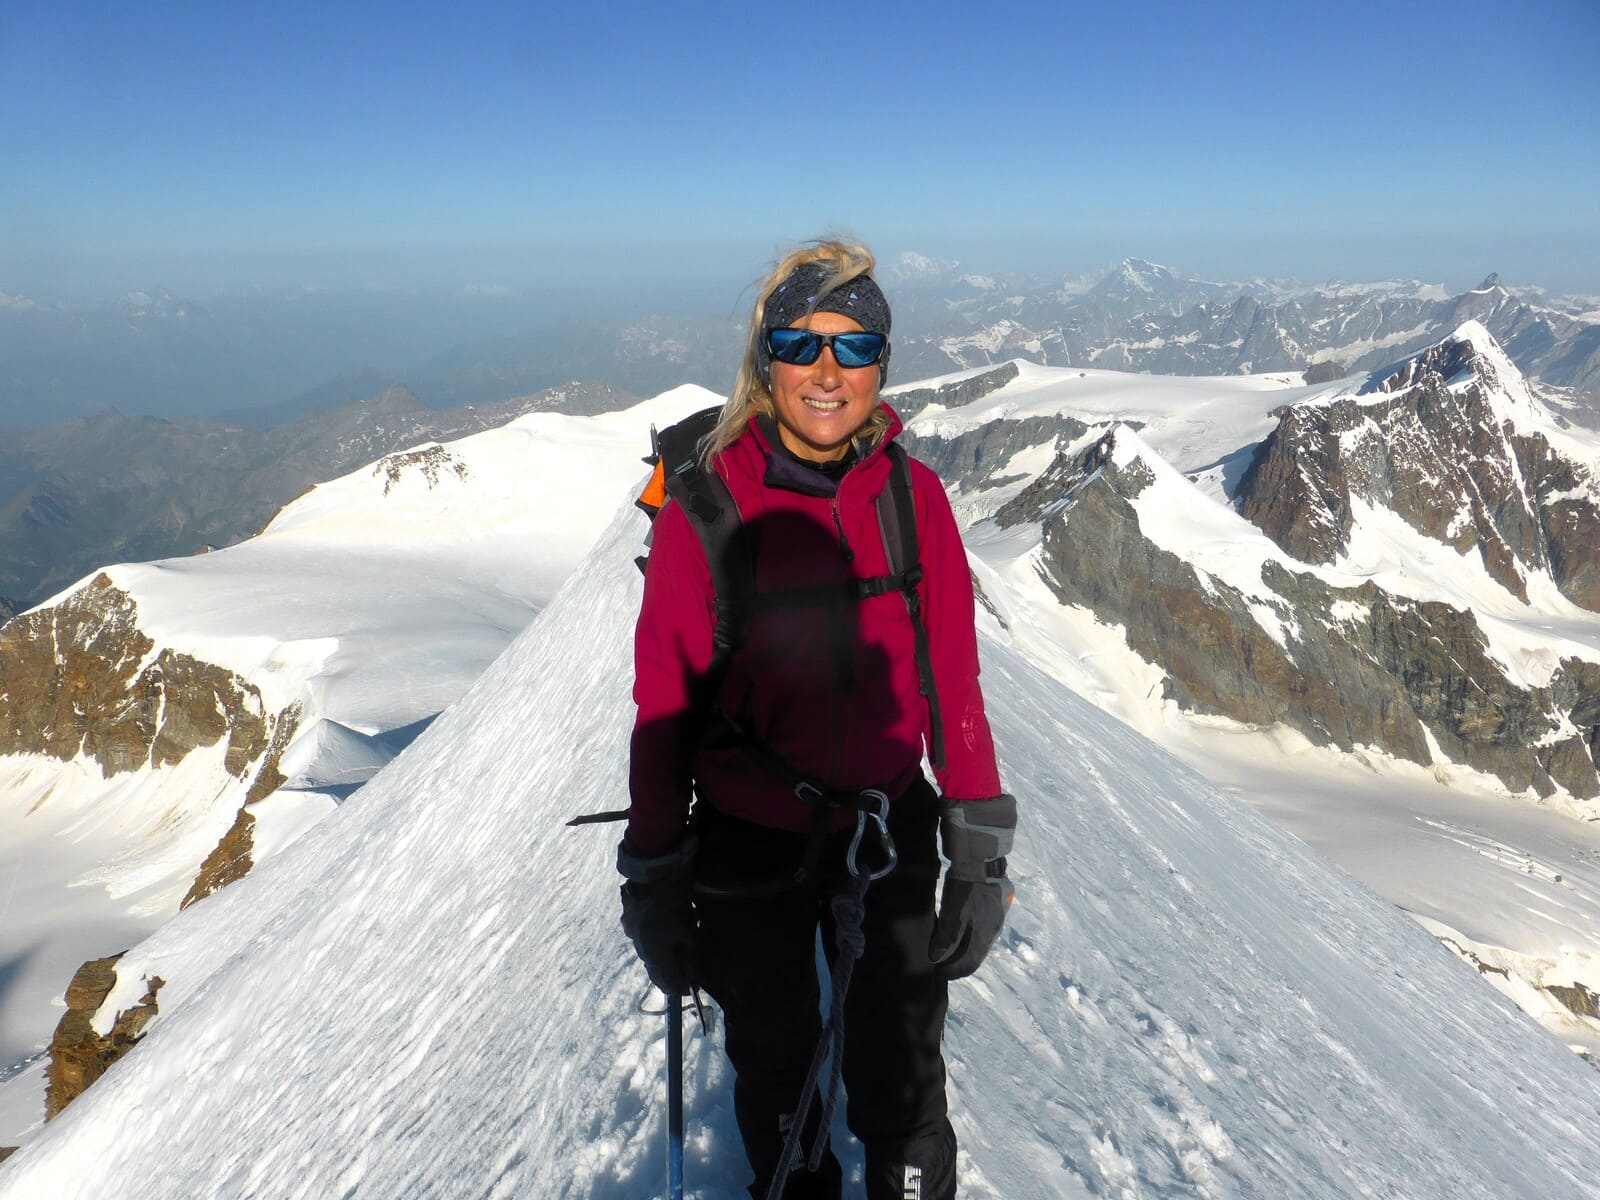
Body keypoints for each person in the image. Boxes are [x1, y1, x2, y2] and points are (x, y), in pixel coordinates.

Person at [618, 238, 1016, 1200]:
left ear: (885, 362)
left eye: (855, 345)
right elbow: (664, 704)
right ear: (765, 361)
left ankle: (908, 1177)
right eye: (799, 343)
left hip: (886, 827)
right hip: (750, 841)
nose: (828, 371)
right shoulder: (706, 508)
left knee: (904, 1065)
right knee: (777, 1058)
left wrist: (978, 850)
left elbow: (952, 683)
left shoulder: (914, 500)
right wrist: (656, 873)